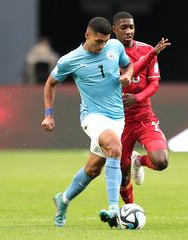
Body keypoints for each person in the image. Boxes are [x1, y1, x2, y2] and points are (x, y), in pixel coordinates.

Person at [41, 17, 133, 228]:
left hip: (117, 117)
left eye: (105, 41)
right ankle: (113, 210)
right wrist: (48, 114)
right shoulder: (70, 60)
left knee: (93, 170)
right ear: (87, 34)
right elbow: (50, 84)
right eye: (98, 41)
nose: (101, 46)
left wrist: (127, 75)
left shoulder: (115, 46)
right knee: (114, 148)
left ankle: (62, 200)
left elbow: (129, 66)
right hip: (92, 116)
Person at [112, 11, 171, 205]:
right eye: (123, 27)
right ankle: (130, 209)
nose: (128, 31)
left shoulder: (146, 49)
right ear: (114, 30)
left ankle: (140, 161)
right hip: (119, 121)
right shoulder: (108, 54)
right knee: (123, 173)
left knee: (161, 161)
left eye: (131, 27)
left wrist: (136, 98)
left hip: (144, 116)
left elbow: (154, 84)